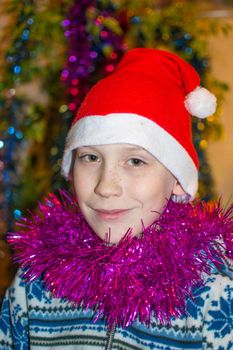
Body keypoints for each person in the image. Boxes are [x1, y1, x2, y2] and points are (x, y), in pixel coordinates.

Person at [0, 48, 233, 350]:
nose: (106, 188)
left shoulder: (216, 297)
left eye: (135, 161)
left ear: (177, 179)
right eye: (91, 157)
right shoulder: (34, 285)